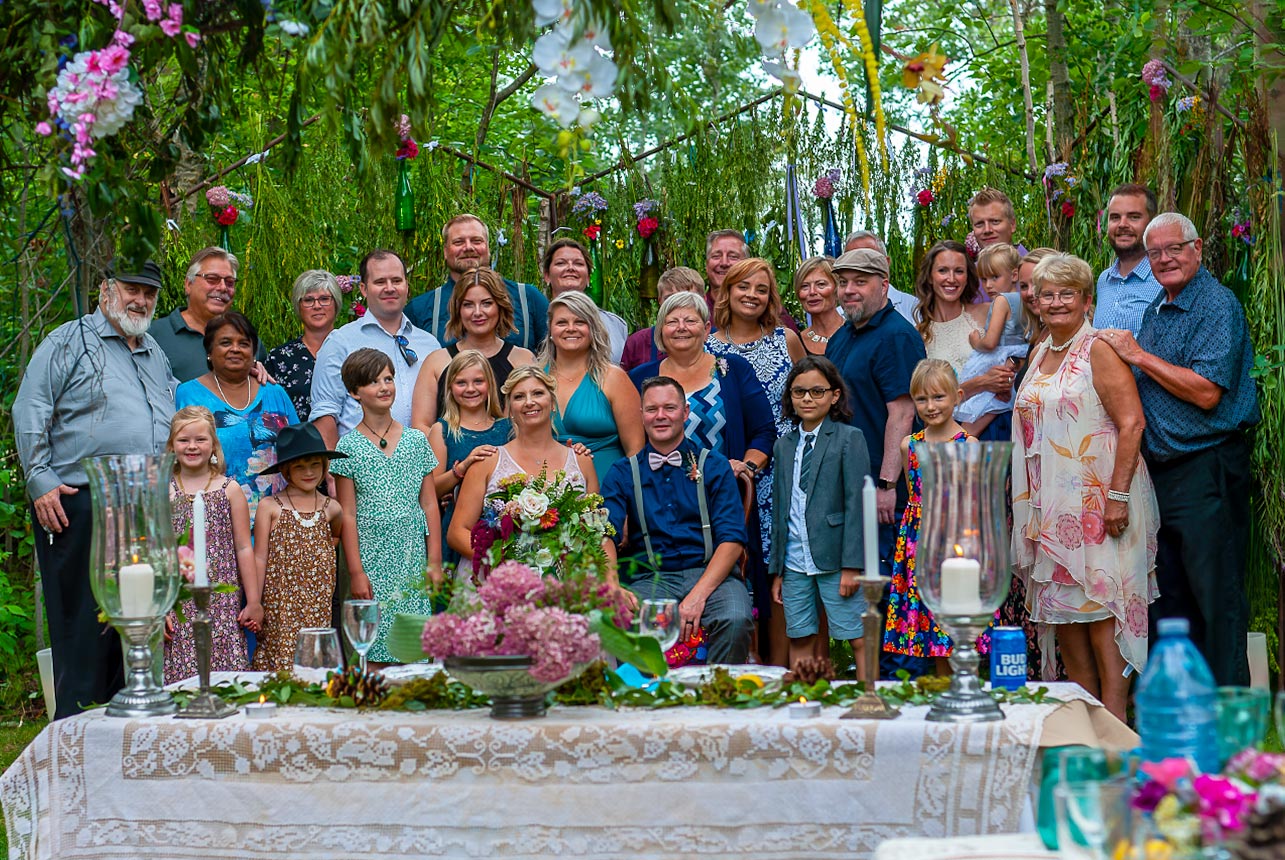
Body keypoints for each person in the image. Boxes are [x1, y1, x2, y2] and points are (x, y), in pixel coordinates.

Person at [1099, 212, 1260, 686]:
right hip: (1164, 474)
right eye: (1156, 252)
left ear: (1198, 249)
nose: (1165, 258)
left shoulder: (1215, 303)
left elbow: (1208, 391)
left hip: (1206, 467)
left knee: (1217, 597)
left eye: (1175, 248)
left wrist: (1138, 355)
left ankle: (1230, 721)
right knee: (1173, 597)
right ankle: (1186, 713)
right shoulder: (1158, 307)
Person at [15, 259, 174, 718]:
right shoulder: (68, 340)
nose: (140, 300)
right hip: (79, 503)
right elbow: (31, 407)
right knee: (84, 630)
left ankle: (128, 735)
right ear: (105, 290)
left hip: (143, 505)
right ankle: (76, 740)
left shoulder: (153, 350)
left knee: (136, 627)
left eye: (149, 293)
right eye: (131, 289)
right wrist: (40, 479)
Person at [1012, 254, 1159, 720]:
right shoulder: (1039, 353)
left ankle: (1117, 736)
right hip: (1052, 515)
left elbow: (1132, 423)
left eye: (1066, 294)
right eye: (1047, 294)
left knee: (1103, 617)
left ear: (1086, 300)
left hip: (1100, 508)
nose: (1055, 303)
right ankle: (1083, 735)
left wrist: (1116, 498)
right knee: (1067, 624)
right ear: (1036, 302)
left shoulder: (1097, 348)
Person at [601, 376, 755, 663]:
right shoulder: (622, 472)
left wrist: (698, 596)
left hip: (712, 575)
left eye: (669, 408)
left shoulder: (715, 465)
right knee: (618, 620)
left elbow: (732, 539)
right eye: (652, 409)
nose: (660, 416)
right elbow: (604, 532)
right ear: (642, 415)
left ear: (685, 413)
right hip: (650, 579)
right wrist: (612, 584)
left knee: (735, 618)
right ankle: (644, 700)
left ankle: (717, 699)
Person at [329, 348, 443, 664]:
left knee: (415, 647)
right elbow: (347, 514)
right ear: (354, 392)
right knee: (375, 647)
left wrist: (434, 561)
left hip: (410, 557)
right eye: (373, 382)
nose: (384, 387)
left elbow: (430, 504)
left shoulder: (416, 441)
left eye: (388, 378)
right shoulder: (347, 447)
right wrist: (356, 572)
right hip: (371, 557)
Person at [769, 357, 871, 675]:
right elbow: (780, 509)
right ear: (790, 397)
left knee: (855, 634)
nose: (808, 399)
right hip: (794, 561)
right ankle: (808, 701)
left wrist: (852, 566)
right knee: (799, 634)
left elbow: (857, 504)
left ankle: (870, 699)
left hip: (835, 560)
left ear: (834, 395)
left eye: (817, 391)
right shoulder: (783, 446)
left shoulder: (848, 439)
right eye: (799, 392)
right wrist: (778, 570)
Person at [448, 366, 602, 567]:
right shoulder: (487, 462)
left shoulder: (582, 460)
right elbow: (457, 532)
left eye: (538, 393)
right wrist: (501, 563)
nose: (529, 402)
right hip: (499, 578)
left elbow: (595, 530)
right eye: (519, 397)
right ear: (510, 409)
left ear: (553, 403)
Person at [883, 360, 975, 673]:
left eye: (939, 397)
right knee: (932, 630)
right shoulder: (909, 445)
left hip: (955, 544)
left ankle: (965, 696)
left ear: (957, 396)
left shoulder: (968, 445)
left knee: (957, 631)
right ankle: (939, 698)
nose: (930, 406)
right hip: (919, 543)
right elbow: (914, 496)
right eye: (922, 399)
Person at [628, 291, 776, 485]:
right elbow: (630, 440)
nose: (681, 328)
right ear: (661, 331)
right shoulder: (640, 378)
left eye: (690, 321)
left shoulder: (734, 370)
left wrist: (746, 467)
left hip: (723, 492)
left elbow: (764, 431)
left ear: (706, 329)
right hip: (658, 496)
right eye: (672, 322)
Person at [311, 249, 440, 448]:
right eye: (380, 282)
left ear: (407, 285)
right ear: (363, 288)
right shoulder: (341, 342)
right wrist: (333, 471)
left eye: (397, 281)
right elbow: (325, 411)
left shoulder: (430, 345)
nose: (390, 288)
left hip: (422, 466)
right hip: (360, 467)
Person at [175, 311, 299, 519]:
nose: (235, 349)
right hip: (215, 522)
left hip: (277, 521)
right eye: (225, 342)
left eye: (244, 343)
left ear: (253, 351)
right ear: (209, 351)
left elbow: (299, 453)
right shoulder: (188, 394)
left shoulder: (274, 392)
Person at [165, 406, 257, 683]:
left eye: (200, 439)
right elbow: (158, 552)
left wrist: (253, 600)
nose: (192, 446)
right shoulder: (164, 491)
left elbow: (243, 546)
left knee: (225, 679)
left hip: (222, 601)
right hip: (178, 601)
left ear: (214, 445)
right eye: (184, 440)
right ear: (172, 446)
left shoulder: (229, 490)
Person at [250, 423, 345, 672]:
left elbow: (333, 538)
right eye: (299, 466)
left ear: (325, 466)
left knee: (313, 663)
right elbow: (259, 557)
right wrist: (255, 601)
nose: (308, 472)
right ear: (286, 470)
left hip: (317, 603)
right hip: (280, 605)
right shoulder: (270, 507)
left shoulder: (331, 509)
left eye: (315, 464)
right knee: (280, 660)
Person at [410, 266, 535, 431]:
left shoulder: (523, 360)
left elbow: (536, 421)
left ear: (500, 306)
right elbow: (421, 426)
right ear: (458, 310)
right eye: (468, 305)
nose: (477, 312)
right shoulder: (437, 362)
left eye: (486, 303)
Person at [406, 214, 549, 351]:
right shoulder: (419, 309)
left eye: (476, 241)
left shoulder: (528, 298)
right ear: (445, 251)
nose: (468, 247)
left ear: (488, 247)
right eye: (458, 242)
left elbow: (555, 354)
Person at [543, 292, 644, 478]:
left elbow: (636, 450)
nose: (571, 328)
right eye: (562, 323)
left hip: (609, 488)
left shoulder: (614, 378)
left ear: (593, 329)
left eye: (580, 322)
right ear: (550, 330)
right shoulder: (536, 377)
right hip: (546, 490)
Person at [427, 350, 512, 570]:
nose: (471, 389)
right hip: (458, 527)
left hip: (503, 528)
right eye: (461, 383)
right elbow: (431, 490)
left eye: (478, 381)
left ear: (490, 384)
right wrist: (462, 468)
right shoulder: (442, 430)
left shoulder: (507, 428)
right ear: (450, 387)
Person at [150, 247, 267, 382]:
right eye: (212, 279)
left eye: (229, 282)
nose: (223, 287)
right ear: (188, 284)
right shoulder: (155, 336)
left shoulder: (248, 340)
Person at [957, 243, 1028, 437]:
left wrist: (976, 341)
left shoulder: (1001, 301)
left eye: (995, 277)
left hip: (1000, 354)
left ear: (1014, 275)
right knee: (996, 401)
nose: (988, 285)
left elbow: (991, 342)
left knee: (982, 404)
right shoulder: (1025, 300)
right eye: (984, 279)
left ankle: (961, 442)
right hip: (1019, 353)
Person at [265, 270, 342, 422]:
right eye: (308, 300)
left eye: (325, 299)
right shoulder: (280, 357)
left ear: (336, 303)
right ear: (298, 306)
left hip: (348, 442)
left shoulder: (353, 349)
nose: (317, 306)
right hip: (298, 442)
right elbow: (270, 411)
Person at [542, 237, 629, 362]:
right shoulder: (537, 319)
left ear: (588, 277)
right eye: (561, 263)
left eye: (578, 263)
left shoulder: (615, 324)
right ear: (547, 276)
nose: (570, 268)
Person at [1094, 184, 1162, 335]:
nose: (1122, 224)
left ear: (1152, 223)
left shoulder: (1164, 280)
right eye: (1115, 217)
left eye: (1134, 217)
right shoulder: (1104, 280)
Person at [913, 240, 989, 373]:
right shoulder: (919, 335)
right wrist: (976, 385)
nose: (951, 279)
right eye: (943, 271)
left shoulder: (987, 313)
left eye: (959, 271)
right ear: (930, 277)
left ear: (967, 277)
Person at [704, 229, 798, 331]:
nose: (724, 263)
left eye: (733, 256)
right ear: (706, 264)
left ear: (747, 264)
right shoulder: (695, 308)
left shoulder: (771, 312)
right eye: (716, 256)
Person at [620, 266, 704, 371]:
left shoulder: (717, 346)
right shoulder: (638, 343)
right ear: (659, 301)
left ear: (703, 300)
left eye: (688, 298)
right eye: (670, 298)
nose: (678, 306)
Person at [844, 231, 917, 322]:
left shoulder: (913, 308)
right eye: (852, 261)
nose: (859, 266)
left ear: (886, 263)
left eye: (867, 259)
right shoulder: (838, 317)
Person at [793, 257, 844, 355]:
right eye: (804, 286)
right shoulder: (795, 343)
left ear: (837, 288)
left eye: (821, 284)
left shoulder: (856, 333)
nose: (812, 292)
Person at [967, 187, 1021, 251]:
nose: (987, 230)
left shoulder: (1033, 260)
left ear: (1012, 224)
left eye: (995, 221)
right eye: (979, 224)